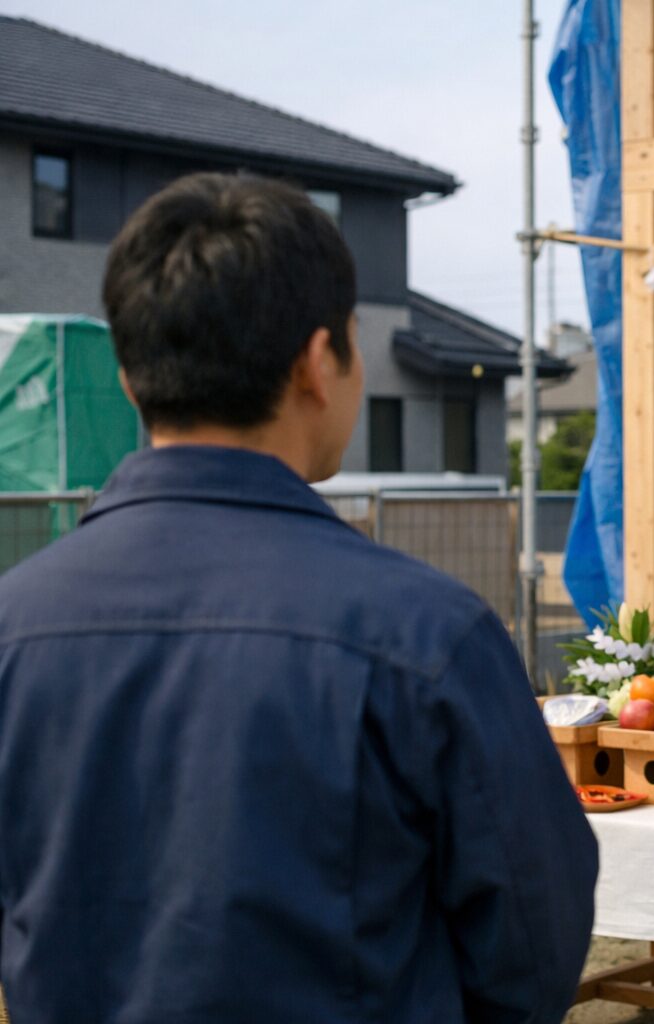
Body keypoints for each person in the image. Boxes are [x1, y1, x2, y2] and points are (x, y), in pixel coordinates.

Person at [0, 173, 597, 1022]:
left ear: (132, 382)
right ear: (321, 363)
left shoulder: (14, 626)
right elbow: (536, 946)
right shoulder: (430, 636)